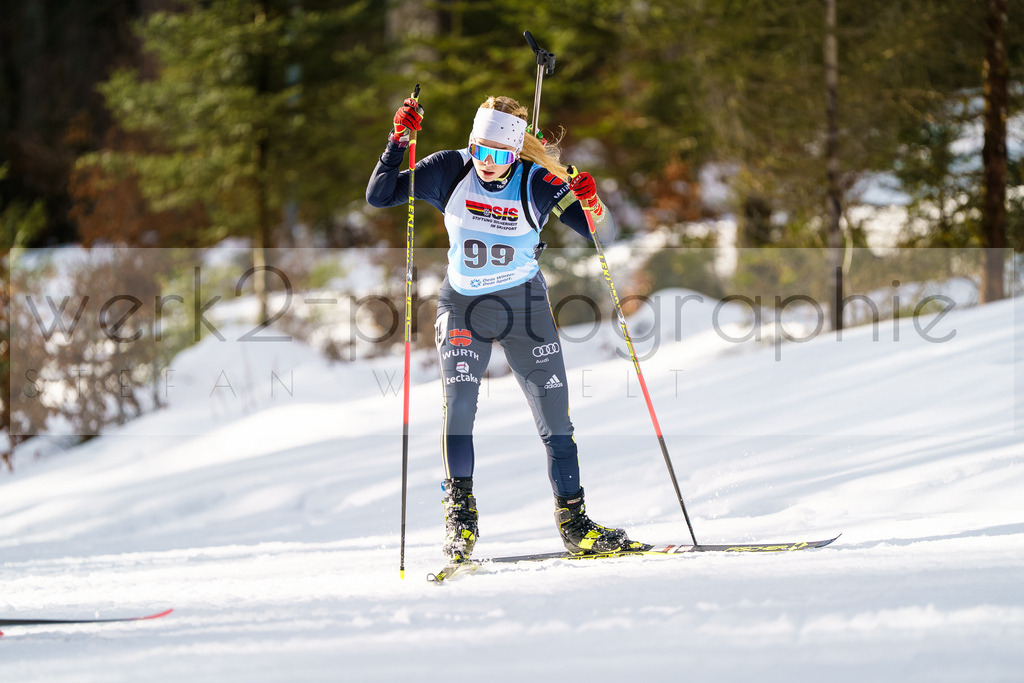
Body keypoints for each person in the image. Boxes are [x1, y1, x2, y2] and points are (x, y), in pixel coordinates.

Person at [366, 94, 645, 563]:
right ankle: (462, 520)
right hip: (463, 308)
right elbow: (380, 195)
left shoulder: (535, 182)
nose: (486, 164)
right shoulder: (449, 170)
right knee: (459, 405)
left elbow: (604, 235)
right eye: (479, 150)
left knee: (556, 419)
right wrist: (398, 140)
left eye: (497, 155)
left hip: (524, 308)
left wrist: (593, 202)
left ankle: (575, 523)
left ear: (514, 154)